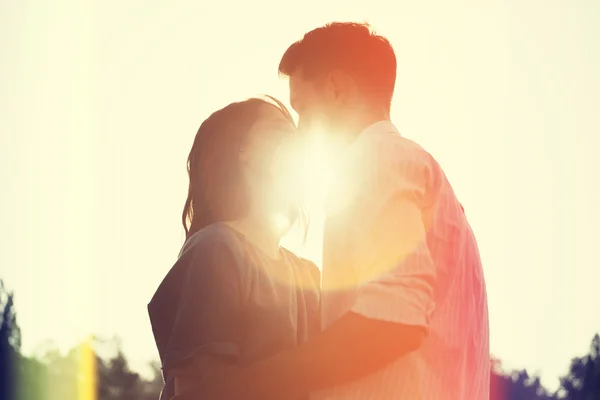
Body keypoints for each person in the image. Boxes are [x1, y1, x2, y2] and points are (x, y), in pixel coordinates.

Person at [179, 22, 490, 400]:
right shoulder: (439, 192)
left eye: (302, 109)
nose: (300, 130)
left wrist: (239, 386)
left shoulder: (377, 161)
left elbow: (393, 320)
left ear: (337, 89)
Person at [147, 97, 321, 400]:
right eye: (281, 130)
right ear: (244, 152)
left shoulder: (307, 275)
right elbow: (202, 390)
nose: (298, 141)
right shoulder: (216, 250)